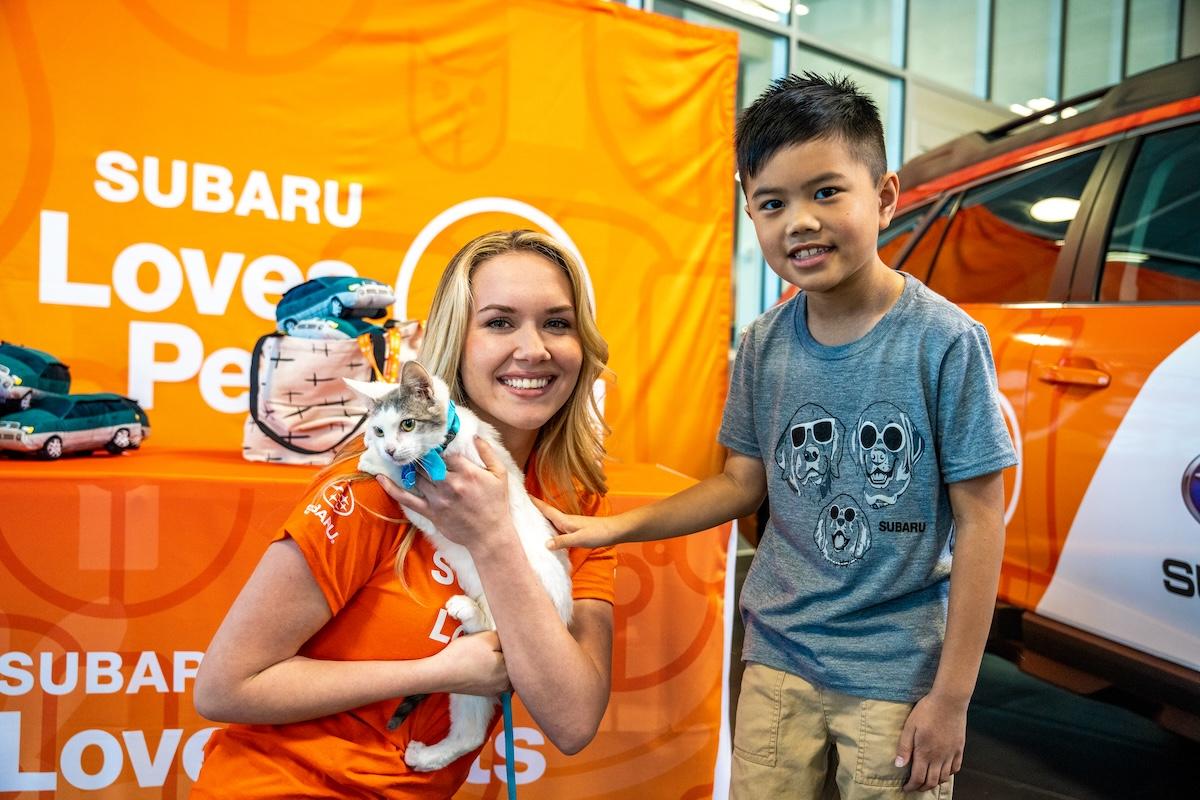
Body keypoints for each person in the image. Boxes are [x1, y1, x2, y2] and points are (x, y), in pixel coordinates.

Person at [541, 74, 1016, 799]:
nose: (799, 221)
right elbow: (741, 484)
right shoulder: (764, 344)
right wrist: (617, 529)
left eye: (826, 192)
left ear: (884, 197)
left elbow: (982, 523)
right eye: (772, 203)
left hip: (897, 673)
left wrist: (951, 698)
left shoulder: (946, 341)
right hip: (778, 658)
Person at [191, 230, 617, 798]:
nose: (534, 349)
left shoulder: (575, 499)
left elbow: (574, 720)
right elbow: (224, 688)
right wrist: (436, 674)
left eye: (558, 323)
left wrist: (493, 539)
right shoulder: (378, 485)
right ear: (454, 341)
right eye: (498, 322)